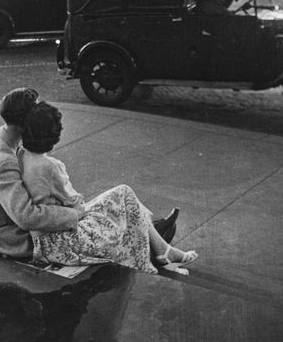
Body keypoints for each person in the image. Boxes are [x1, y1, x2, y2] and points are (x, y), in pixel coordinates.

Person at [18, 101, 198, 274]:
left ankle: (161, 247)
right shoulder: (50, 166)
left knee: (121, 196)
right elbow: (76, 205)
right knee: (123, 195)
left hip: (43, 242)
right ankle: (160, 249)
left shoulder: (21, 156)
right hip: (64, 241)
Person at [0, 88, 81, 259]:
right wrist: (72, 215)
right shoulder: (3, 161)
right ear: (24, 122)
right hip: (6, 239)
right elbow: (26, 217)